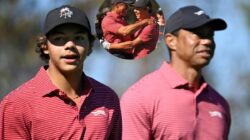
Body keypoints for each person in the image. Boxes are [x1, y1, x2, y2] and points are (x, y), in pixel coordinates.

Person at [0, 5, 121, 140]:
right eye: (59, 39)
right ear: (45, 46)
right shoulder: (17, 104)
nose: (70, 45)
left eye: (79, 38)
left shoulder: (108, 98)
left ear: (90, 45)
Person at [121, 5, 231, 140]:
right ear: (171, 41)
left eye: (210, 35)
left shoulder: (220, 105)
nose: (207, 41)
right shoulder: (140, 97)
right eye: (198, 34)